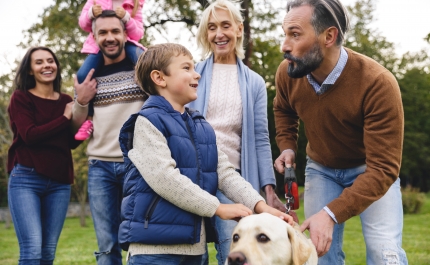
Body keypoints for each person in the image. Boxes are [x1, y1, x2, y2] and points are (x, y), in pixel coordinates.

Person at [117, 43, 294, 265]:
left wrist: (261, 207)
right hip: (154, 249)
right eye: (186, 68)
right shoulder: (147, 122)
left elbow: (225, 174)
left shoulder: (201, 126)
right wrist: (217, 207)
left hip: (194, 248)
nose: (197, 74)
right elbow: (165, 179)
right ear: (160, 78)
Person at [273, 0, 408, 264]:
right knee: (319, 255)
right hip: (321, 169)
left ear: (329, 36)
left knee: (386, 255)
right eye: (285, 33)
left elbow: (384, 169)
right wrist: (287, 146)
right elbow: (283, 109)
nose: (284, 46)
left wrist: (330, 213)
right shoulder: (288, 73)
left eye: (295, 34)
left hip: (370, 170)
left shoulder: (378, 83)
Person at [188, 1, 295, 263]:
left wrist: (268, 189)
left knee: (233, 250)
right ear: (205, 33)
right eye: (212, 28)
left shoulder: (255, 82)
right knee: (192, 252)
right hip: (192, 175)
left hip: (232, 179)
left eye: (226, 26)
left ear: (239, 29)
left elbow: (260, 138)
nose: (219, 34)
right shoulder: (192, 73)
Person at [72, 10, 147, 265]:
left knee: (142, 240)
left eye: (115, 31)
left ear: (126, 34)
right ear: (94, 38)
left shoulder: (142, 70)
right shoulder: (89, 76)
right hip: (99, 167)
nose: (110, 37)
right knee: (107, 245)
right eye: (102, 32)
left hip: (137, 164)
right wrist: (81, 100)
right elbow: (76, 124)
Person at [7, 46, 80, 265]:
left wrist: (83, 130)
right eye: (39, 62)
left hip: (59, 182)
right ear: (30, 70)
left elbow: (67, 143)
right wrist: (66, 118)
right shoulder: (21, 98)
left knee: (47, 252)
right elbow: (30, 135)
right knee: (32, 249)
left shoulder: (66, 100)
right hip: (26, 179)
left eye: (50, 61)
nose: (46, 65)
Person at [74, 0, 146, 141]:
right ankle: (89, 120)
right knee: (83, 75)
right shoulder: (94, 1)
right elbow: (83, 23)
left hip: (129, 44)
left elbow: (138, 33)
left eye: (114, 31)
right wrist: (90, 14)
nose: (110, 36)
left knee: (145, 64)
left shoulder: (135, 3)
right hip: (97, 49)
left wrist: (126, 17)